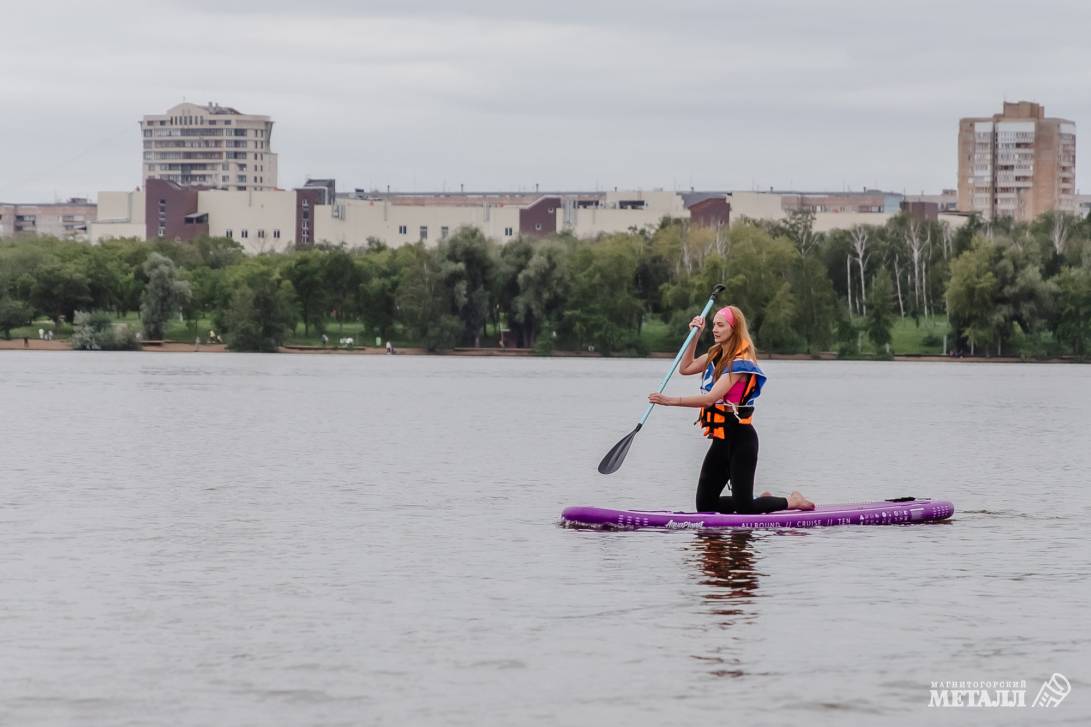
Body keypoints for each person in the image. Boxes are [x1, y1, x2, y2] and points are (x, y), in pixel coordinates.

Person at [648, 305, 814, 514]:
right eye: (714, 325)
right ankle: (763, 501)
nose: (715, 329)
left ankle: (792, 501)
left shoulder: (740, 363)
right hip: (721, 439)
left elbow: (710, 399)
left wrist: (670, 400)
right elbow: (685, 368)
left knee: (745, 507)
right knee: (705, 506)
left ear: (733, 329)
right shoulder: (715, 354)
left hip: (741, 439)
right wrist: (695, 336)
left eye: (720, 325)